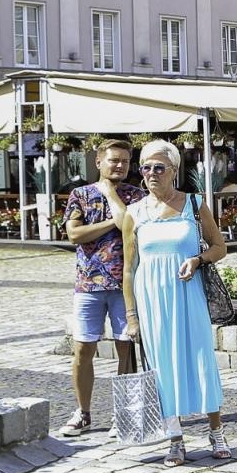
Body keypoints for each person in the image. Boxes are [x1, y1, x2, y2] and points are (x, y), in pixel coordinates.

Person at [122, 140, 231, 466]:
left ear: (173, 171)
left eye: (159, 167)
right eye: (146, 167)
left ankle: (217, 431)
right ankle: (175, 439)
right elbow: (129, 269)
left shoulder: (194, 204)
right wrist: (132, 316)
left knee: (201, 360)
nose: (152, 173)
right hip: (152, 300)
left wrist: (197, 260)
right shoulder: (134, 213)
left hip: (188, 295)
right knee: (161, 368)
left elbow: (219, 247)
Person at [58, 140, 147, 438]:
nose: (119, 165)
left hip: (126, 285)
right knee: (83, 348)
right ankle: (82, 413)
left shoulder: (137, 195)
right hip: (88, 284)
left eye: (124, 160)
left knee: (127, 349)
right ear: (98, 162)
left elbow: (130, 226)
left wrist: (111, 195)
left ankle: (123, 413)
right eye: (113, 160)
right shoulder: (80, 194)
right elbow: (74, 234)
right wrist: (112, 220)